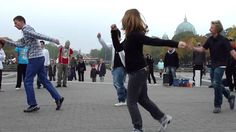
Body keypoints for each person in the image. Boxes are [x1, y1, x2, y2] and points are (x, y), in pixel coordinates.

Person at [110, 9, 186, 132]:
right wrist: (113, 32)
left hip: (138, 71)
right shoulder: (129, 36)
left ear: (128, 20)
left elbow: (155, 41)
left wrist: (176, 44)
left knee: (131, 101)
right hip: (139, 70)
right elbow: (118, 48)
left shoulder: (135, 35)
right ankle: (163, 118)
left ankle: (138, 128)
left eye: (124, 19)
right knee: (143, 99)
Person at [0, 15, 64, 112]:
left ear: (21, 21)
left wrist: (53, 40)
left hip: (35, 58)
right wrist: (5, 41)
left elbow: (38, 35)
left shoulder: (26, 30)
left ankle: (33, 104)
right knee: (44, 80)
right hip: (39, 57)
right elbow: (19, 44)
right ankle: (58, 98)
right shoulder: (26, 32)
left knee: (28, 81)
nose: (15, 25)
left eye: (16, 23)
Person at [192, 20, 236, 113]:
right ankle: (229, 96)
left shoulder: (224, 40)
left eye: (212, 27)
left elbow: (232, 52)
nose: (210, 29)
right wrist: (191, 47)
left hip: (221, 65)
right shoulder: (210, 39)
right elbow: (202, 49)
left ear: (217, 29)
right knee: (217, 84)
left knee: (216, 83)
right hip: (213, 65)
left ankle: (217, 105)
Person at [97, 32, 127, 106]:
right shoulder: (113, 44)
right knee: (116, 83)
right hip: (114, 67)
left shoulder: (123, 43)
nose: (112, 38)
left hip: (121, 66)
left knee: (119, 83)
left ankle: (122, 100)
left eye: (114, 36)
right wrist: (100, 38)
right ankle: (129, 96)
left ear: (119, 36)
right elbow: (105, 45)